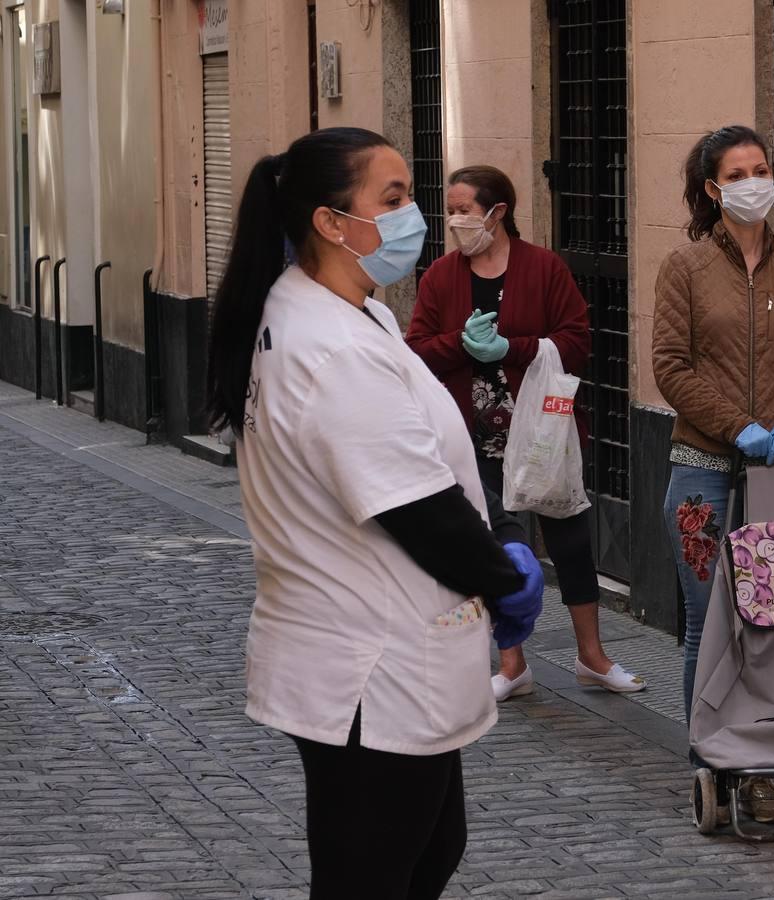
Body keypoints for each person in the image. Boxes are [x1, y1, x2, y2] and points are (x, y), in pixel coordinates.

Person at [205, 127, 545, 900]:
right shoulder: (327, 347)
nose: (413, 216)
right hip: (369, 665)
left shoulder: (348, 316)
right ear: (331, 221)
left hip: (374, 653)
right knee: (375, 871)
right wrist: (501, 575)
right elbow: (416, 506)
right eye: (390, 200)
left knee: (428, 849)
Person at [406, 165, 644, 701]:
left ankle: (592, 657)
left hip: (544, 434)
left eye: (465, 209)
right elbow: (417, 351)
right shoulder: (441, 277)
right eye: (453, 209)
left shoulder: (544, 268)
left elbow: (577, 340)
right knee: (499, 548)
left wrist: (511, 348)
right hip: (474, 437)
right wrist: (460, 345)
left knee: (572, 544)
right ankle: (511, 663)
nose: (456, 220)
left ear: (498, 213)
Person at [652, 125, 774, 825]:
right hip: (701, 470)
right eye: (738, 172)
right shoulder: (685, 267)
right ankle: (711, 761)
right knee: (711, 624)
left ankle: (762, 768)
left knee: (773, 620)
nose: (754, 181)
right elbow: (670, 364)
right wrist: (737, 427)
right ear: (711, 188)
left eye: (761, 168)